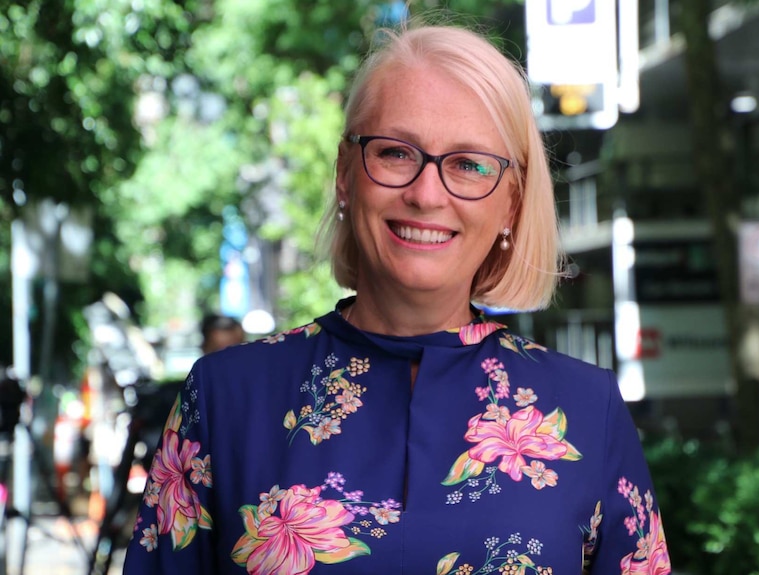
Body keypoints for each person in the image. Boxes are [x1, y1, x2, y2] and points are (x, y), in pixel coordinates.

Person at [122, 20, 671, 575]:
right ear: (345, 174)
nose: (426, 194)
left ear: (511, 203)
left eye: (469, 164)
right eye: (395, 153)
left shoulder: (587, 411)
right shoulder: (224, 400)